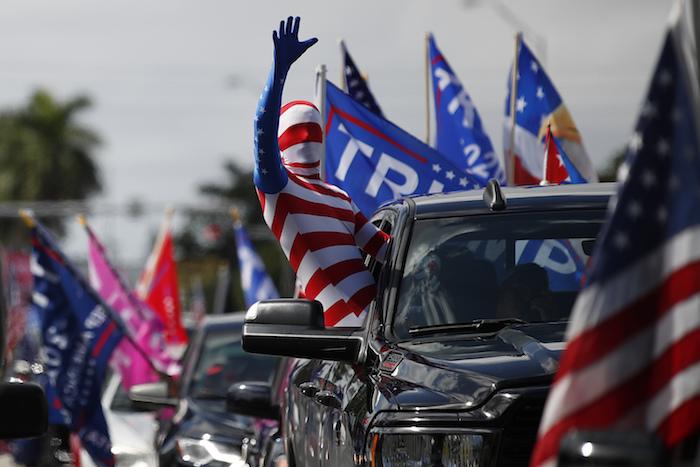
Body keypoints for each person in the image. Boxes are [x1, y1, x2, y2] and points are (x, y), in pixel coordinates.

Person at [253, 16, 390, 327]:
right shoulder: (280, 191)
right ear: (281, 143)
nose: (306, 138)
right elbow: (261, 128)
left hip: (385, 330)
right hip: (342, 342)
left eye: (313, 130)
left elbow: (386, 250)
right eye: (298, 132)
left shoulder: (340, 197)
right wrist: (279, 72)